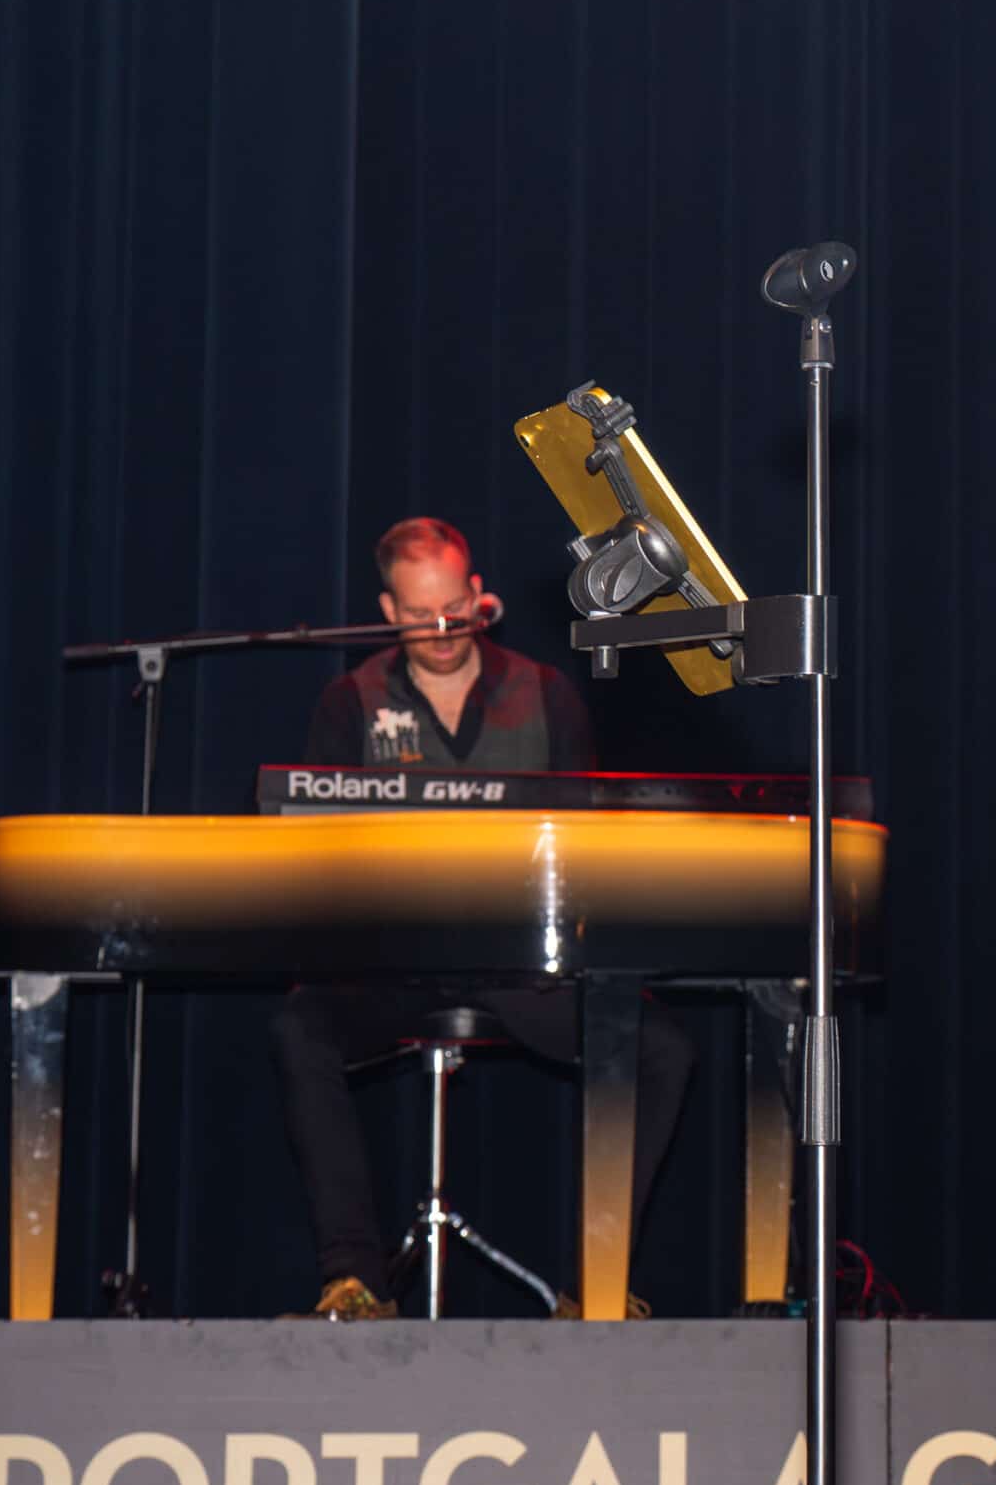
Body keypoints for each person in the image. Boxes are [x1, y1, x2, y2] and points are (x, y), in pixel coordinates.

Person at [270, 516, 695, 1320]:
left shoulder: (546, 693)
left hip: (522, 966)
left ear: (478, 593)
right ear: (388, 611)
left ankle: (597, 1285)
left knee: (661, 1047)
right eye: (419, 613)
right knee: (300, 1028)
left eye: (454, 607)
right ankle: (353, 1280)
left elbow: (587, 846)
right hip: (392, 967)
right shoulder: (350, 701)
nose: (441, 627)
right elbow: (315, 852)